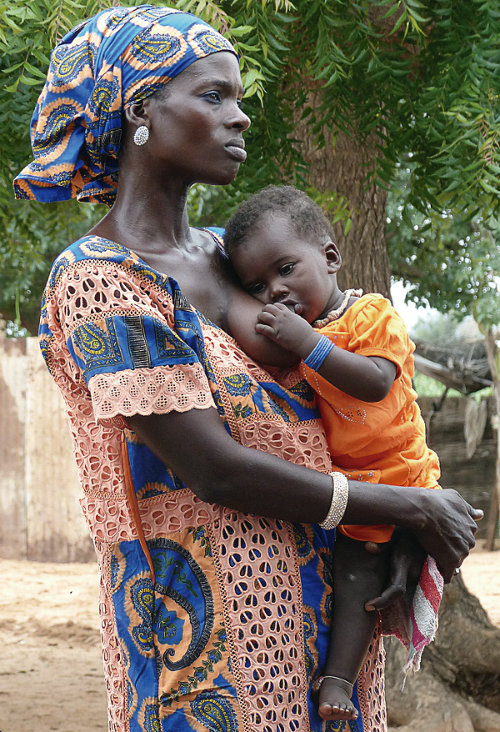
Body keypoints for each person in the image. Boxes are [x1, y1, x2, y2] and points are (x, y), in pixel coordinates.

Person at [13, 6, 481, 732]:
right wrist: (407, 507)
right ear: (140, 108)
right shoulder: (99, 280)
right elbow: (216, 470)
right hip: (205, 639)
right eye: (213, 96)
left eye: (239, 99)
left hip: (325, 624)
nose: (240, 119)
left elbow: (347, 408)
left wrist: (397, 534)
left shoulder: (236, 262)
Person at [223, 184, 444, 721]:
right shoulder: (304, 334)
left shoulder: (372, 315)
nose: (275, 290)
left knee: (389, 568)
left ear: (330, 257)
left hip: (401, 476)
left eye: (285, 268)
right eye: (258, 284)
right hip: (354, 491)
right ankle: (338, 683)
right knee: (356, 579)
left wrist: (308, 345)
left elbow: (373, 382)